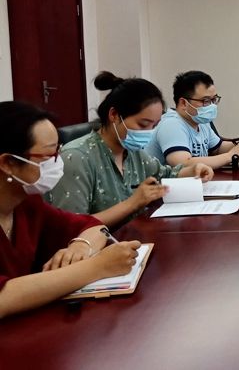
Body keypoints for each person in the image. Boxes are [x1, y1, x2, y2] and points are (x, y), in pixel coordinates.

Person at [0, 101, 140, 318]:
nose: (58, 162)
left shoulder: (27, 203)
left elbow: (92, 226)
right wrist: (97, 267)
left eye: (58, 150)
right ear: (8, 163)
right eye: (49, 156)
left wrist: (81, 245)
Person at [46, 72, 213, 227]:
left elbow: (165, 174)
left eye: (154, 126)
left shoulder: (133, 152)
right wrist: (133, 203)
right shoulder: (76, 158)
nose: (148, 132)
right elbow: (71, 226)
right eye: (143, 124)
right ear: (114, 115)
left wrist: (192, 170)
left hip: (134, 238)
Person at [146, 71, 239, 168]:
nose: (212, 106)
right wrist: (230, 156)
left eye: (214, 99)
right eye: (206, 101)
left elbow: (217, 148)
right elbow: (183, 164)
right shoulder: (171, 124)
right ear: (183, 103)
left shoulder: (199, 121)